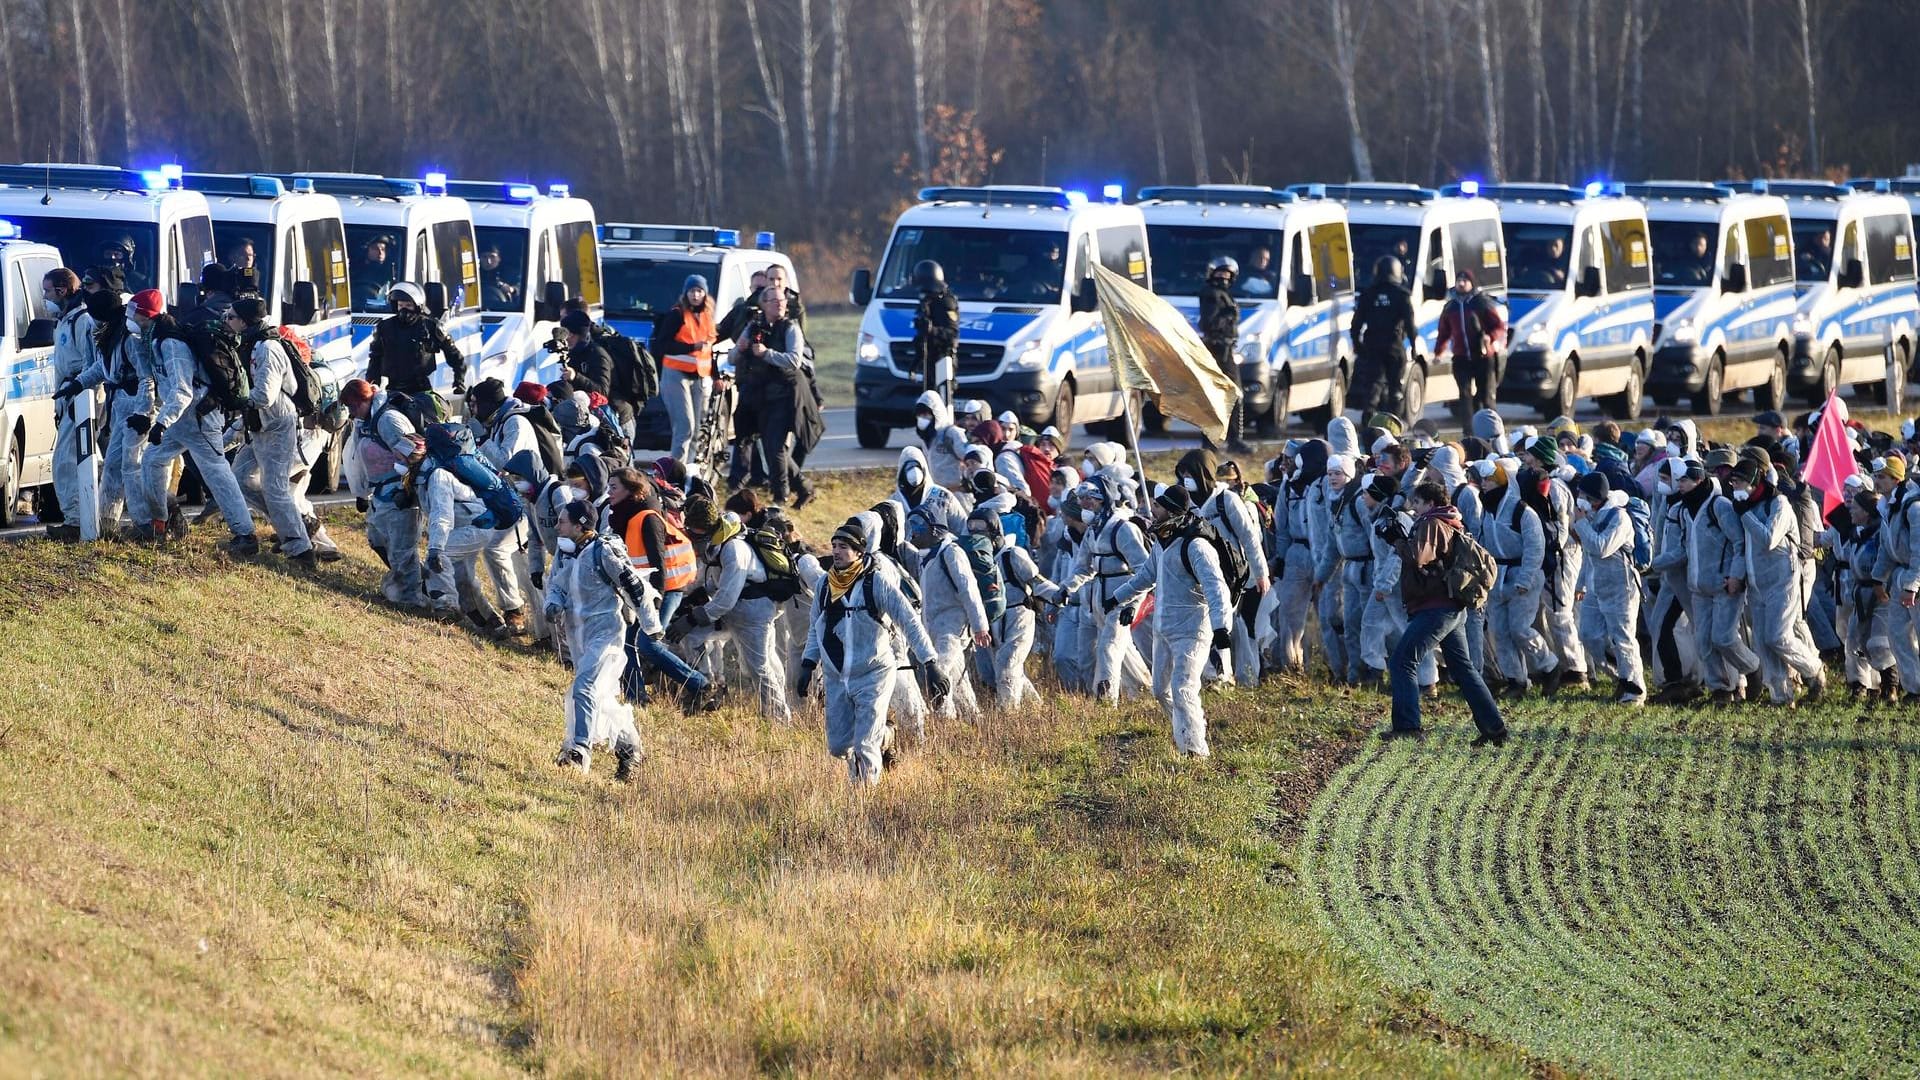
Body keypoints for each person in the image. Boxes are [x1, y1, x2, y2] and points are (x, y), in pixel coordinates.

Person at [797, 518, 943, 785]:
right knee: (839, 747)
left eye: (844, 546)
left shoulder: (876, 583)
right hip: (837, 676)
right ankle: (886, 735)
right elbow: (815, 628)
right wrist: (808, 664)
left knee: (864, 745)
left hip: (874, 674)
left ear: (859, 553)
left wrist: (930, 662)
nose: (837, 551)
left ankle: (863, 804)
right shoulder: (823, 586)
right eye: (834, 545)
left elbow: (908, 620)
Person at [1378, 481, 1509, 744]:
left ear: (1430, 503)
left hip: (1435, 608)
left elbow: (1417, 557)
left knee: (1402, 661)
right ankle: (1495, 730)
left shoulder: (1432, 523)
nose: (1413, 508)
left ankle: (1407, 728)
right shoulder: (1450, 522)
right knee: (1463, 669)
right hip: (1451, 606)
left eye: (1416, 503)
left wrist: (1396, 540)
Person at [130, 289, 257, 552]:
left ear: (147, 315)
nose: (130, 319)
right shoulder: (155, 339)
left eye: (134, 313)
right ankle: (161, 522)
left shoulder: (171, 344)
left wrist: (162, 422)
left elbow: (182, 390)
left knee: (217, 473)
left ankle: (245, 535)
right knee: (152, 462)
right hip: (180, 419)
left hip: (198, 418)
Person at [1114, 487, 1233, 758]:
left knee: (1183, 688)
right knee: (1160, 691)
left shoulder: (1196, 546)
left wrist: (1221, 627)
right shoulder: (1162, 542)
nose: (1151, 511)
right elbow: (1146, 577)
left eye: (1157, 506)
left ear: (1170, 510)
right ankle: (1188, 729)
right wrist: (1119, 598)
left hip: (1192, 630)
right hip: (1163, 629)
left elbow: (1216, 588)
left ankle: (1195, 753)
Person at [544, 500, 645, 780]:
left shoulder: (603, 553)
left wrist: (650, 624)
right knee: (599, 696)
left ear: (580, 526)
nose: (556, 526)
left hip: (606, 635)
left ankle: (578, 751)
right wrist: (551, 604)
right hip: (579, 637)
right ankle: (629, 748)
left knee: (584, 688)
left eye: (562, 521)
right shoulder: (565, 553)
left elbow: (633, 586)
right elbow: (556, 584)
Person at [60, 276, 160, 537]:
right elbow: (103, 369)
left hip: (134, 404)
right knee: (114, 465)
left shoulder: (128, 338)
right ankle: (105, 523)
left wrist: (144, 412)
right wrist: (78, 384)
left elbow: (145, 376)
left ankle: (144, 524)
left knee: (131, 466)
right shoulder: (112, 333)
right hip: (122, 404)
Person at [1727, 459, 1826, 704]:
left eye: (1738, 481)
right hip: (1757, 583)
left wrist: (1746, 515)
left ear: (1752, 482)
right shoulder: (1745, 506)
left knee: (1778, 636)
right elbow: (1744, 546)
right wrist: (1738, 576)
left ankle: (1813, 670)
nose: (1734, 487)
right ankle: (1781, 695)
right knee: (1762, 642)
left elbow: (1769, 538)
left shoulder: (1778, 503)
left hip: (1783, 581)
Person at [685, 510, 791, 725]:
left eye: (694, 534)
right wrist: (694, 597)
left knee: (759, 667)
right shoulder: (716, 545)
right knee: (693, 637)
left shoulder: (733, 548)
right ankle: (707, 685)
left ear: (706, 529)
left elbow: (726, 599)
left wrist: (694, 617)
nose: (692, 539)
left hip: (754, 613)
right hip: (737, 610)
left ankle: (779, 720)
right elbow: (716, 585)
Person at [1176, 448, 1266, 685]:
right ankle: (1219, 677)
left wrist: (1261, 574)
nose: (1185, 479)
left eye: (1189, 473)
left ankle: (1247, 676)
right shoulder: (1187, 505)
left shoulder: (1226, 500)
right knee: (1212, 625)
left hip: (1234, 575)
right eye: (1182, 474)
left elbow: (1249, 537)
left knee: (1234, 627)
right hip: (1202, 575)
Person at [1675, 456, 1760, 705]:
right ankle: (1721, 690)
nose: (1679, 484)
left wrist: (1736, 575)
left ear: (1699, 480)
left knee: (1723, 637)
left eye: (1684, 480)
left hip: (1725, 585)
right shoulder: (1685, 509)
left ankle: (1753, 668)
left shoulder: (1719, 505)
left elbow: (1739, 542)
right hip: (1699, 587)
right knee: (1703, 641)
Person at [1071, 476, 1154, 703]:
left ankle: (1106, 704)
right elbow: (1082, 568)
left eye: (1091, 498)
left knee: (1108, 648)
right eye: (1081, 499)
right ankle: (1144, 688)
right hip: (1099, 597)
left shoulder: (1122, 529)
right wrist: (1064, 590)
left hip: (1121, 598)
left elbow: (1145, 571)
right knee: (1121, 647)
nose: (1085, 504)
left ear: (1103, 499)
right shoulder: (1092, 531)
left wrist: (1133, 604)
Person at [1570, 471, 1647, 704]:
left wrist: (1581, 523)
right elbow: (1588, 554)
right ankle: (1622, 676)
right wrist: (1581, 582)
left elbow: (1602, 547)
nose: (1579, 497)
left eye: (1583, 494)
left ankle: (1634, 691)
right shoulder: (1591, 515)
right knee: (1589, 634)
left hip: (1621, 586)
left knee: (1623, 637)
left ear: (1595, 496)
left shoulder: (1619, 518)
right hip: (1597, 584)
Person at [907, 506, 991, 720]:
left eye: (919, 524)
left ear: (935, 528)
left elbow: (968, 588)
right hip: (932, 627)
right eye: (912, 523)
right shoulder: (922, 558)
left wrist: (980, 626)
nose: (914, 529)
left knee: (939, 675)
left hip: (953, 627)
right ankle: (974, 720)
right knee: (958, 680)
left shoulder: (951, 552)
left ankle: (946, 723)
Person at [745, 286, 815, 507]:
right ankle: (805, 487)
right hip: (761, 396)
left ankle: (780, 496)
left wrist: (767, 354)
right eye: (774, 300)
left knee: (774, 447)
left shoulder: (791, 328)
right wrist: (740, 349)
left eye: (782, 300)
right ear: (763, 303)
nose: (779, 303)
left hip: (786, 396)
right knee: (773, 446)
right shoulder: (756, 326)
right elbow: (738, 353)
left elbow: (795, 360)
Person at [648, 275, 716, 464]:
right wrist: (691, 347)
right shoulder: (677, 314)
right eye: (692, 291)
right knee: (684, 426)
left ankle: (690, 470)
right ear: (685, 293)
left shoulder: (706, 316)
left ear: (705, 294)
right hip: (675, 374)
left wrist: (715, 376)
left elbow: (709, 348)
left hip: (699, 376)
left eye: (699, 291)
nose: (695, 295)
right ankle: (676, 470)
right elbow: (663, 345)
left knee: (696, 429)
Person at [367, 283, 467, 402]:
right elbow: (375, 359)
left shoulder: (431, 327)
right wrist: (371, 387)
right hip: (393, 391)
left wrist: (459, 380)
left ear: (417, 306)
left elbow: (453, 354)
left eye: (408, 305)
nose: (404, 309)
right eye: (400, 305)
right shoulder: (385, 327)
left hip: (422, 390)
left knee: (430, 417)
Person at [719, 269, 771, 488]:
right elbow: (721, 331)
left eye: (762, 288)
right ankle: (742, 475)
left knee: (764, 431)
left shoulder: (777, 313)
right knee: (744, 429)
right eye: (755, 288)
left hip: (770, 382)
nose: (757, 294)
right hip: (745, 378)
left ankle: (761, 475)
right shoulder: (742, 312)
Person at [1873, 455, 1920, 700]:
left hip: (1914, 578)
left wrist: (1913, 585)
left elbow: (1919, 550)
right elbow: (1885, 548)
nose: (1876, 482)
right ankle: (1914, 688)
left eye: (1881, 477)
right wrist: (1879, 579)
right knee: (1897, 634)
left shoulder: (1913, 508)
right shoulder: (1889, 507)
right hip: (1900, 575)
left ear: (1896, 478)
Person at [1349, 256, 1418, 418]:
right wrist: (1413, 346)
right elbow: (1410, 323)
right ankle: (1394, 423)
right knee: (1396, 388)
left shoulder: (1368, 294)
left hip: (1372, 345)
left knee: (1373, 386)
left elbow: (1356, 323)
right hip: (1394, 346)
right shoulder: (1402, 295)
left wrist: (1357, 344)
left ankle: (1369, 420)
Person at [1197, 256, 1253, 454]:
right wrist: (1227, 316)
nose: (1223, 277)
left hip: (1226, 349)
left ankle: (1228, 440)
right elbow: (1208, 323)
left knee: (1229, 396)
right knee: (1224, 396)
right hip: (1217, 351)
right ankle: (1224, 441)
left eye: (1227, 274)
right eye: (1220, 273)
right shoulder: (1212, 295)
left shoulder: (1222, 294)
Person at [1434, 270, 1505, 412]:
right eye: (1459, 280)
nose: (1461, 283)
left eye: (1465, 280)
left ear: (1471, 284)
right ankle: (1468, 430)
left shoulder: (1481, 303)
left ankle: (1491, 430)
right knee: (1465, 395)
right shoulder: (1450, 307)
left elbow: (1499, 326)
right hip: (1461, 358)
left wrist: (1489, 337)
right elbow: (1444, 332)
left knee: (1486, 397)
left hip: (1483, 356)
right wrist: (1438, 352)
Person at [558, 309, 629, 436]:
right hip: (594, 418)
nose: (566, 339)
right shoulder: (573, 354)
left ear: (577, 335)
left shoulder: (598, 355)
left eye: (568, 335)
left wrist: (576, 377)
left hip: (616, 421)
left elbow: (602, 391)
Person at [910, 260, 959, 402]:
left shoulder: (946, 302)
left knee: (942, 402)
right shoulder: (925, 302)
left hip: (943, 359)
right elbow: (921, 335)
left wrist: (933, 331)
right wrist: (916, 361)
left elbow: (952, 335)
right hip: (928, 359)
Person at [354, 235, 397, 303]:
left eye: (383, 249)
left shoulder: (390, 273)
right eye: (376, 249)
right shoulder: (355, 271)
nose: (380, 253)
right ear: (366, 250)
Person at [479, 244, 519, 309]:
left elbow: (523, 287)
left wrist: (512, 289)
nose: (488, 261)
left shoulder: (510, 273)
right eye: (484, 257)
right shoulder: (475, 275)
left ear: (499, 258)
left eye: (492, 257)